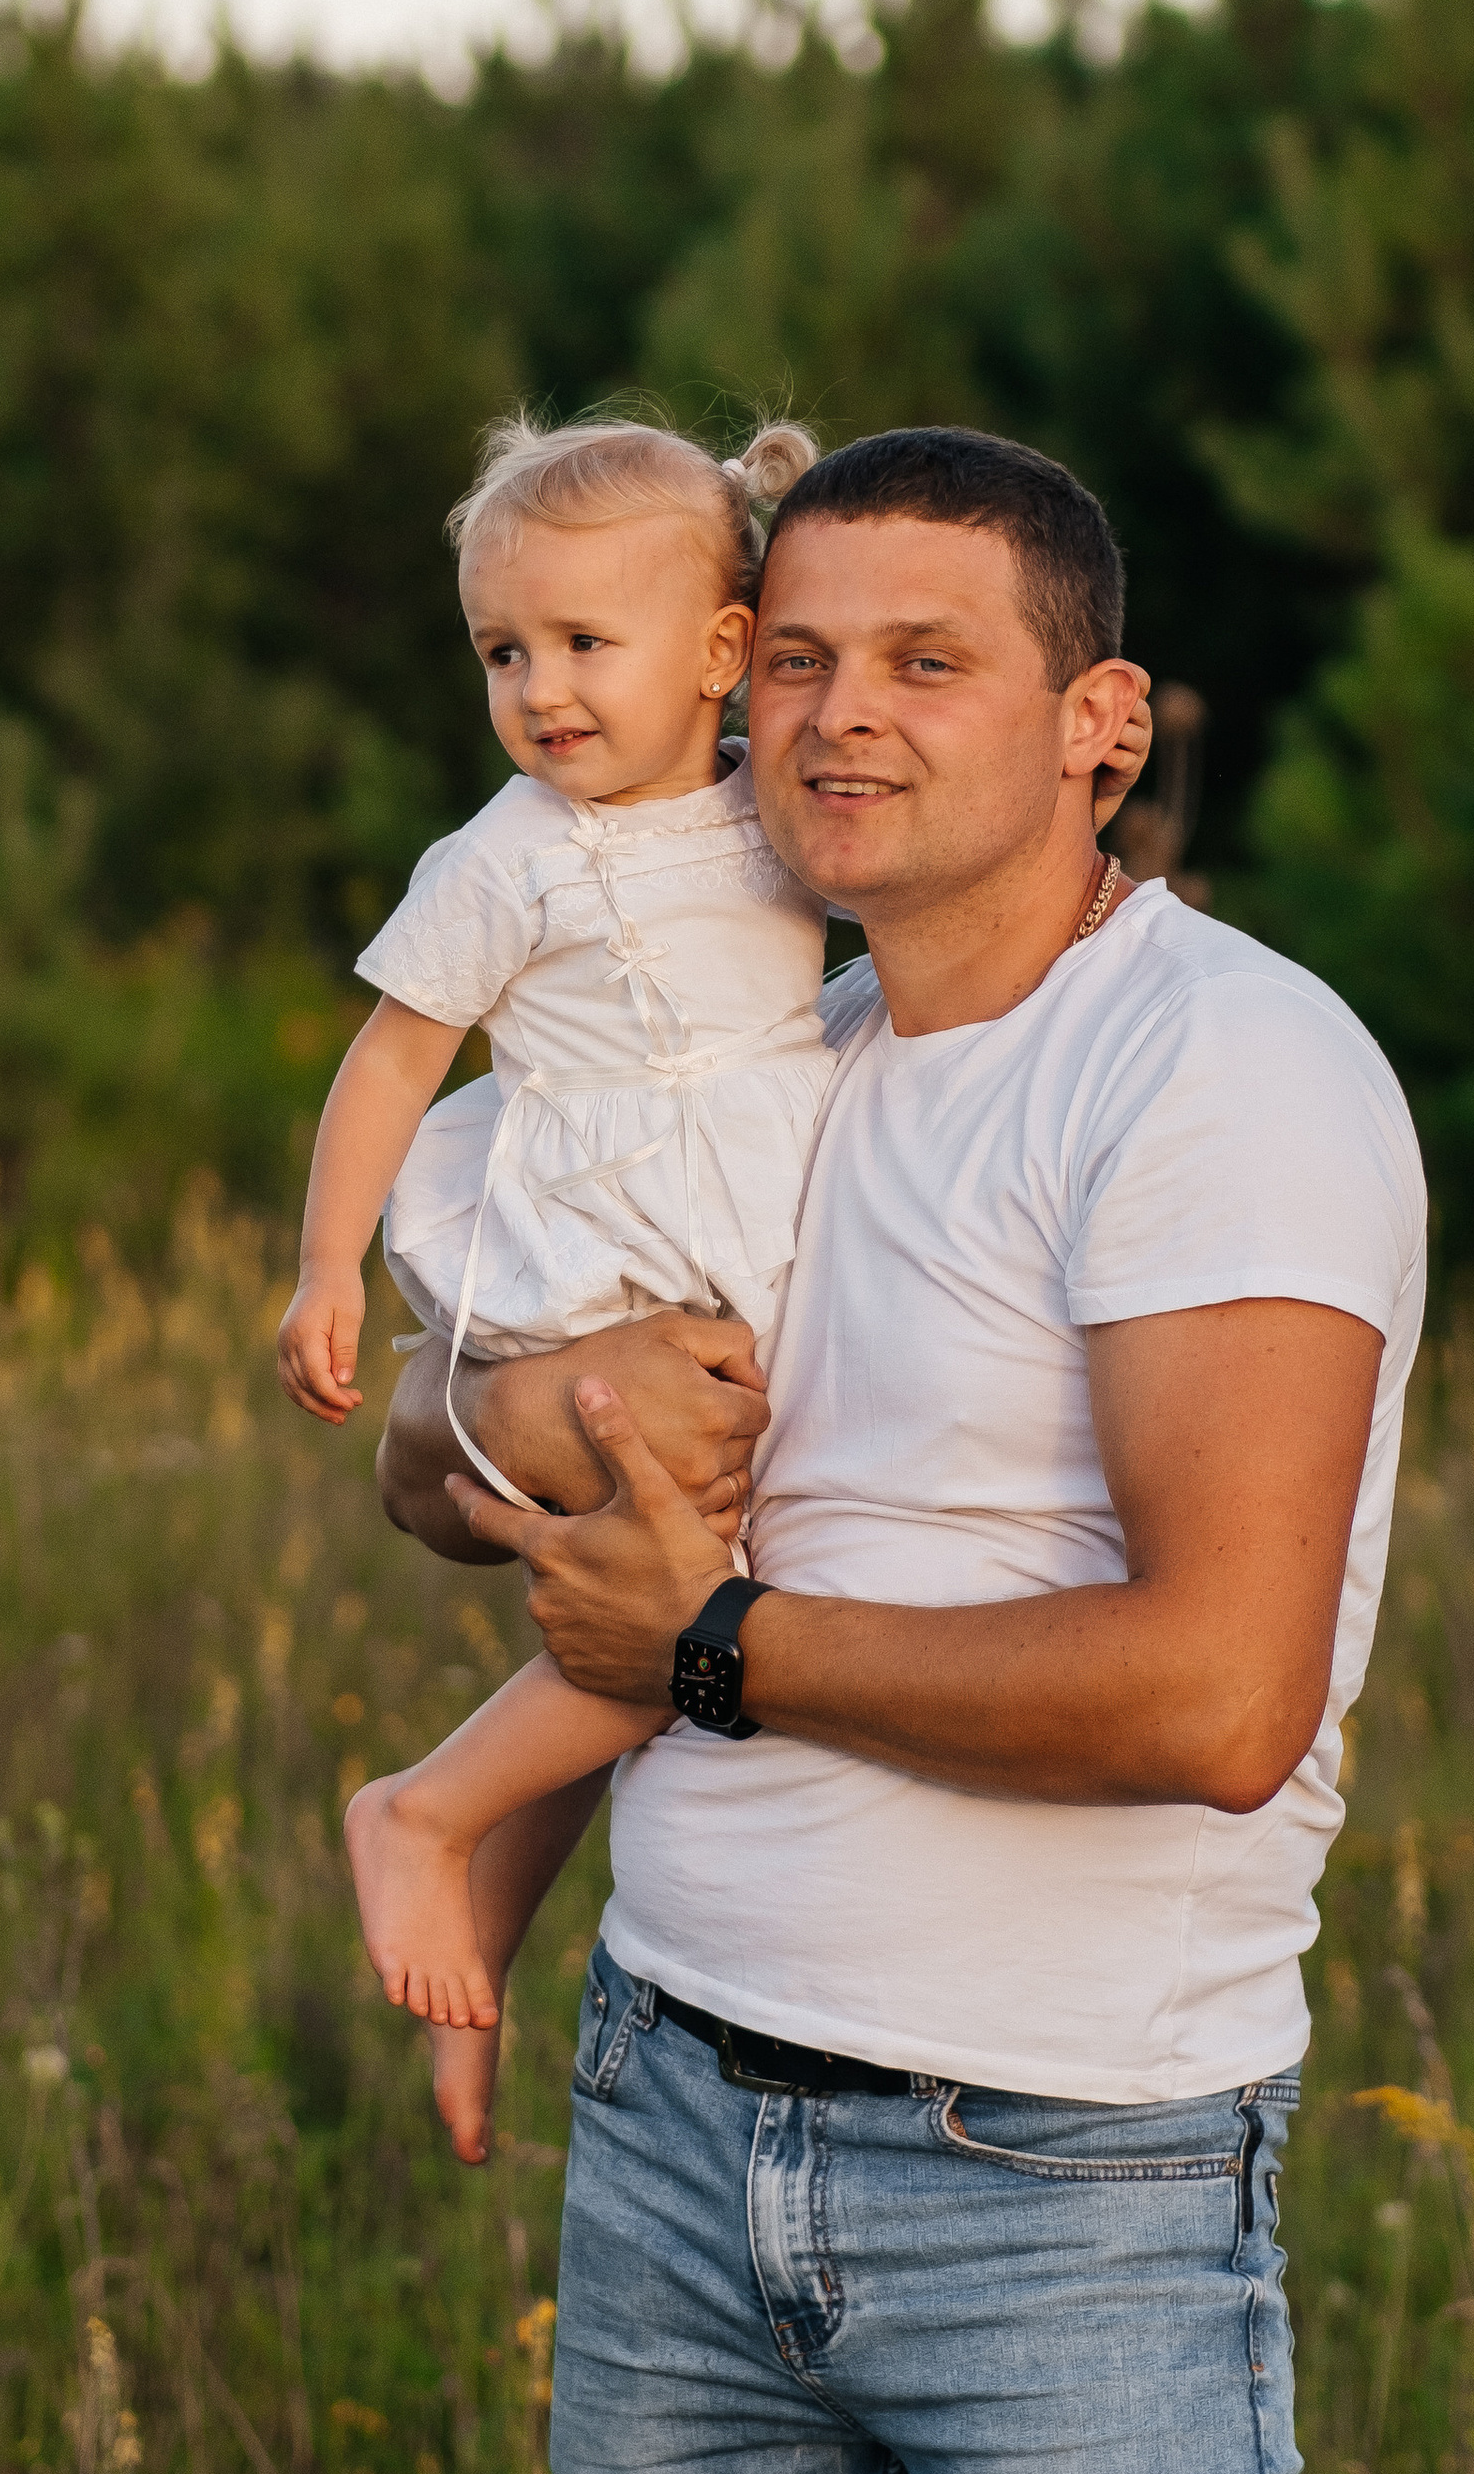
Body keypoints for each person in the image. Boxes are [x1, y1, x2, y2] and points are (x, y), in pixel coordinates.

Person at [378, 426, 1428, 2474]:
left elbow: (1212, 1696)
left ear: (1101, 724)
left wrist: (722, 1639)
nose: (842, 715)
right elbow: (423, 1475)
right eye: (801, 659)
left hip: (1055, 2186)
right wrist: (533, 1392)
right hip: (668, 2135)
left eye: (930, 662)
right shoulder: (775, 1057)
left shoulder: (1219, 1070)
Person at [281, 404, 1160, 2033]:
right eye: (502, 651)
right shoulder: (509, 859)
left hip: (731, 1212)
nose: (540, 690)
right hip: (607, 1241)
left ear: (712, 655)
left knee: (697, 1591)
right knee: (688, 1577)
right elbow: (393, 1054)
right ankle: (437, 1812)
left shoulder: (772, 804)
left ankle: (449, 1829)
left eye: (584, 643)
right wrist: (330, 1268)